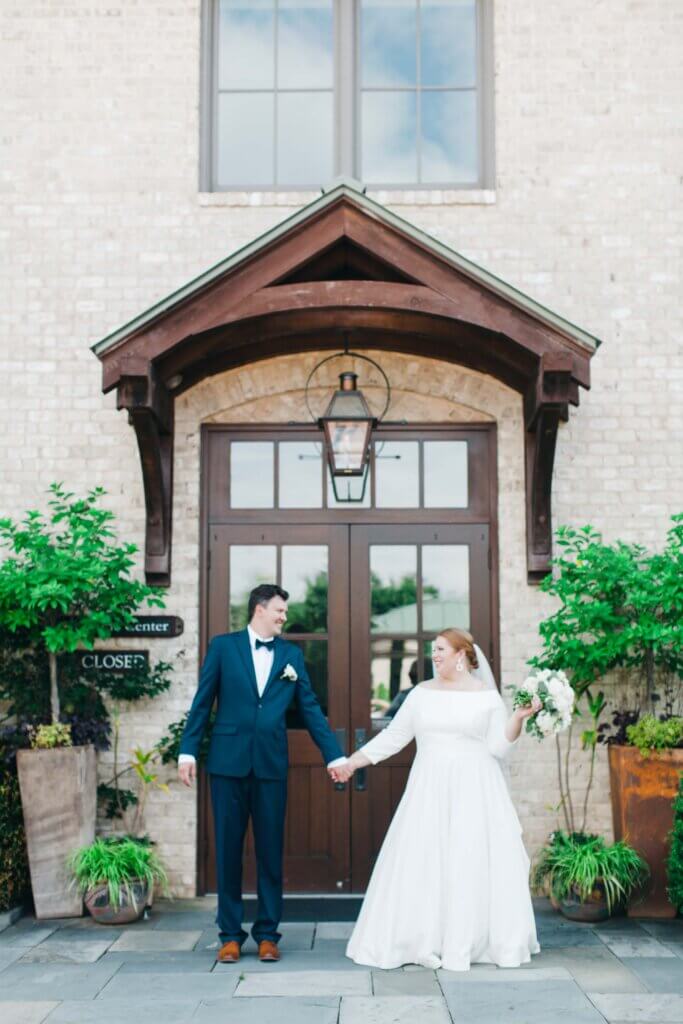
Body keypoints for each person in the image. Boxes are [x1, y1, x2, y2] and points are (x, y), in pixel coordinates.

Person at [336, 627, 542, 972]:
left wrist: (518, 719)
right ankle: (423, 939)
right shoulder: (420, 694)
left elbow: (499, 747)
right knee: (425, 859)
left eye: (441, 648)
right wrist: (353, 762)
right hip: (429, 789)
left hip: (475, 789)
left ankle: (470, 939)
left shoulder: (486, 697)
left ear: (462, 654)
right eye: (434, 649)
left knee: (468, 861)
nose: (435, 654)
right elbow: (394, 737)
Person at [177, 584, 346, 964]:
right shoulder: (223, 647)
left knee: (271, 851)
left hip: (270, 766)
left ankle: (268, 934)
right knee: (228, 851)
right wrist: (187, 751)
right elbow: (202, 701)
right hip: (227, 764)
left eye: (284, 612)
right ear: (259, 610)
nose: (284, 617)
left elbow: (311, 709)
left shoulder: (291, 656)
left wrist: (334, 757)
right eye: (279, 611)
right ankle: (230, 935)